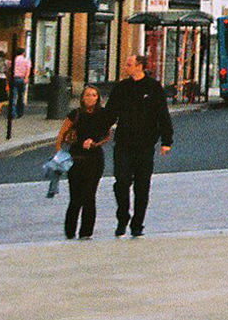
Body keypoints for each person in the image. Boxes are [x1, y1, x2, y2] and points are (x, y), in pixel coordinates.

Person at [107, 53, 172, 237]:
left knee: (142, 187)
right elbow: (110, 114)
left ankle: (138, 224)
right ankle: (123, 217)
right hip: (124, 144)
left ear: (139, 66)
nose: (126, 67)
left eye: (129, 64)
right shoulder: (121, 88)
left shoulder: (153, 87)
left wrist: (166, 141)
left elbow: (163, 115)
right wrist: (95, 132)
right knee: (121, 183)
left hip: (144, 145)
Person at [56, 84, 111, 240]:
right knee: (75, 197)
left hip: (94, 159)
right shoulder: (75, 114)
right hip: (76, 159)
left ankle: (86, 232)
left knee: (89, 195)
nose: (91, 98)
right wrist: (59, 151)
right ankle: (70, 231)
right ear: (82, 98)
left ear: (98, 98)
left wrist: (94, 143)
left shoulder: (102, 115)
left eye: (94, 95)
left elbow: (107, 136)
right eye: (87, 95)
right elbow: (61, 135)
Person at [11, 47, 31, 118]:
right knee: (21, 96)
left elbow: (11, 69)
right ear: (23, 53)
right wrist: (26, 78)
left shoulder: (14, 60)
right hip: (22, 78)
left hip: (14, 78)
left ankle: (12, 113)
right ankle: (20, 112)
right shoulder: (26, 60)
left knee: (13, 96)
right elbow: (28, 70)